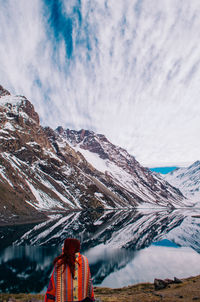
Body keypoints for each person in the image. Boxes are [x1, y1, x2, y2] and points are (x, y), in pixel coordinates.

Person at [45, 238, 95, 302]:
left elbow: (53, 285)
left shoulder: (60, 262)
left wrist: (49, 299)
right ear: (77, 247)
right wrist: (92, 298)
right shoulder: (84, 260)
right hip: (82, 299)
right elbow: (89, 282)